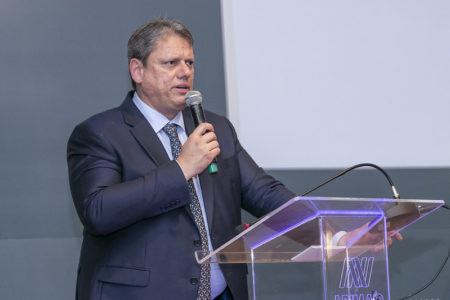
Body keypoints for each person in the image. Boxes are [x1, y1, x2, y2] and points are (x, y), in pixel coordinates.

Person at [67, 18, 296, 300]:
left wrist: (328, 231)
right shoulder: (101, 133)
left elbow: (265, 193)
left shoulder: (216, 128)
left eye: (189, 63)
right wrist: (182, 168)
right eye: (171, 63)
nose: (184, 72)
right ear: (137, 70)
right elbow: (98, 211)